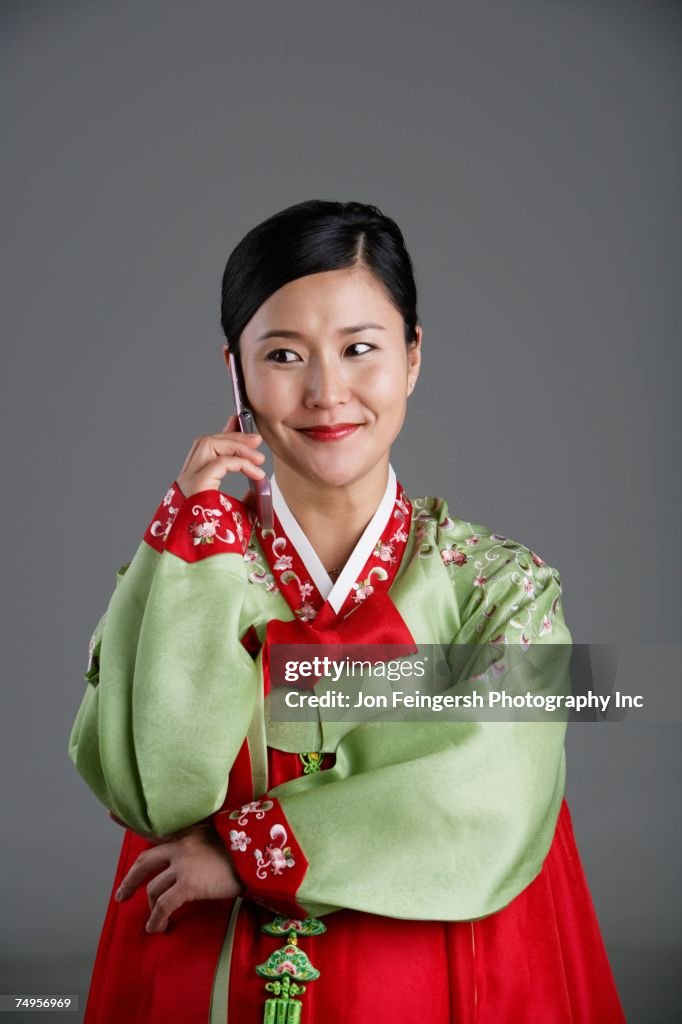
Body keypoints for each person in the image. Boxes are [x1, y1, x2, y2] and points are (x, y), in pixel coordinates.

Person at [68, 199, 626, 1023]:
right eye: (285, 354)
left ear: (412, 357)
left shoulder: (498, 588)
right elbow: (152, 793)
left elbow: (495, 788)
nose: (328, 394)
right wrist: (192, 551)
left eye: (360, 349)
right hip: (209, 961)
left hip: (437, 960)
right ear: (237, 373)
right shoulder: (187, 572)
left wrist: (246, 850)